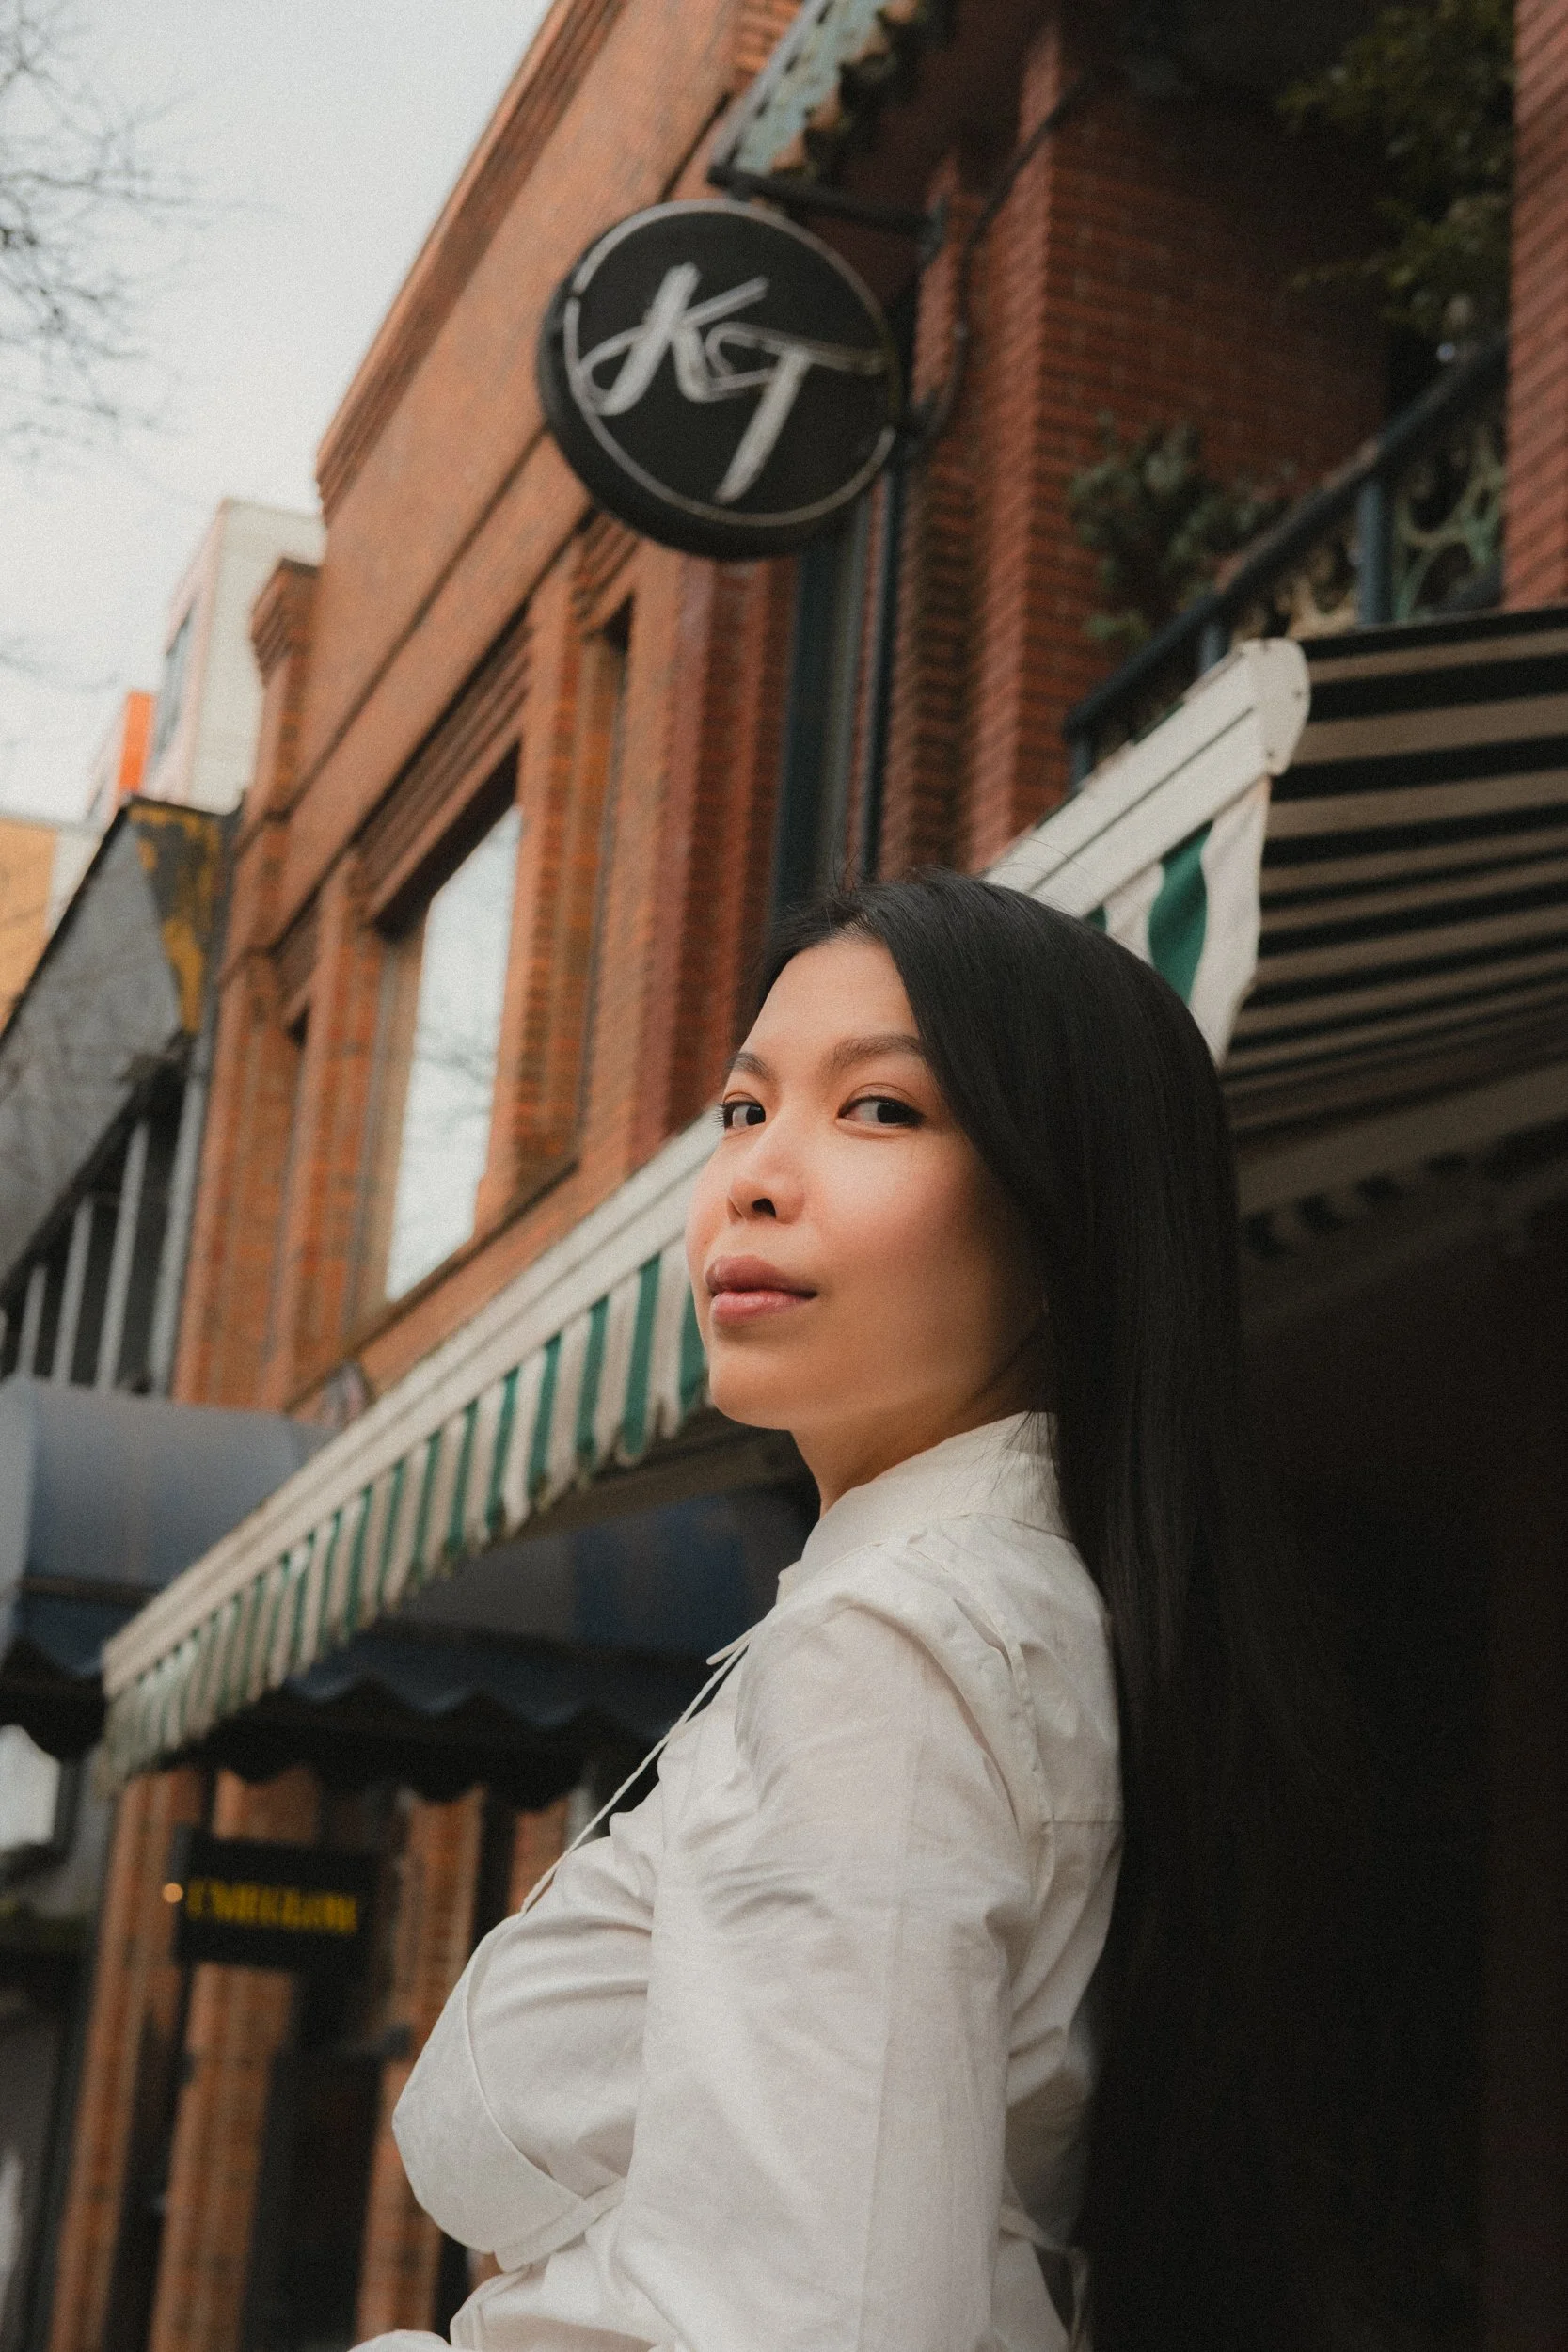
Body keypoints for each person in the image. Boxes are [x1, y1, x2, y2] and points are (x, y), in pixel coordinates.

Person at [359, 872, 1338, 2352]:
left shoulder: (887, 1652)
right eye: (743, 1112)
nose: (755, 1175)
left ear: (1062, 1209)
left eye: (878, 1109)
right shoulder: (989, 1615)